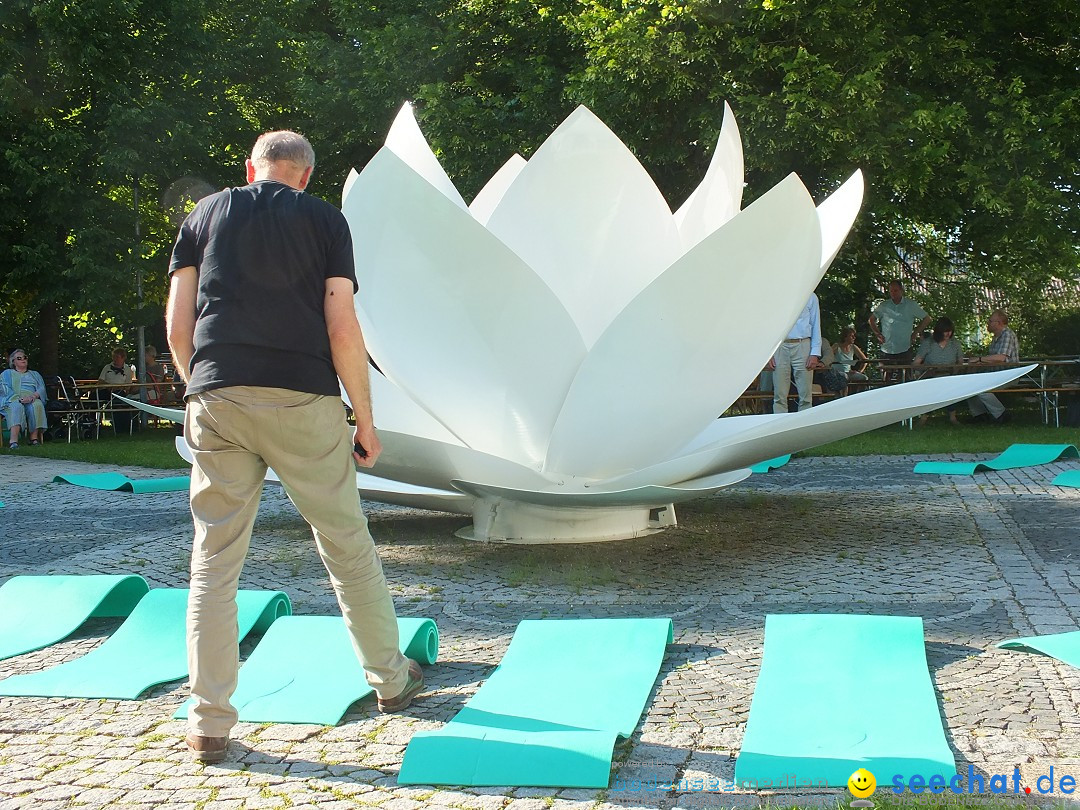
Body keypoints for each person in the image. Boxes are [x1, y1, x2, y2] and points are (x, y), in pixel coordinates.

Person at [167, 129, 423, 763]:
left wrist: (198, 389)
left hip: (217, 395)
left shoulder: (205, 214)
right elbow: (342, 324)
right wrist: (364, 419)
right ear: (306, 176)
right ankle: (391, 681)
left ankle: (209, 723)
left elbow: (179, 322)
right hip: (303, 398)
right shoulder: (326, 221)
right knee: (345, 544)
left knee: (214, 563)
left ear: (251, 166)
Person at [769, 292, 822, 413]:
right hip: (780, 345)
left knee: (806, 395)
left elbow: (816, 325)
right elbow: (769, 325)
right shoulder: (776, 295)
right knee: (779, 394)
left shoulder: (810, 296)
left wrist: (814, 353)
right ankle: (779, 425)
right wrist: (769, 354)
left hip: (802, 343)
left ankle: (805, 425)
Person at [966, 309, 1020, 424]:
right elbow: (992, 360)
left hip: (1009, 375)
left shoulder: (1007, 335)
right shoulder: (996, 338)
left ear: (999, 323)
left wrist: (979, 359)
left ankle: (1002, 415)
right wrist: (977, 362)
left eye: (990, 321)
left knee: (982, 389)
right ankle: (980, 416)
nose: (988, 323)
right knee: (969, 385)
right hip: (995, 375)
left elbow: (1001, 358)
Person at [869, 280, 931, 375]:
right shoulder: (884, 306)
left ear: (901, 290)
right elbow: (871, 320)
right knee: (886, 379)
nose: (893, 293)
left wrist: (915, 333)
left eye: (895, 290)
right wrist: (878, 334)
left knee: (906, 377)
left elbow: (927, 318)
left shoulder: (910, 305)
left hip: (904, 347)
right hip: (887, 348)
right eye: (891, 291)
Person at [912, 316, 964, 426]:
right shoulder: (928, 343)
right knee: (930, 389)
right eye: (945, 331)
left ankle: (952, 417)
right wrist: (927, 368)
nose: (948, 334)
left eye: (950, 331)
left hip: (950, 376)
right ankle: (924, 416)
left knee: (952, 388)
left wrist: (956, 369)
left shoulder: (955, 344)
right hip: (931, 376)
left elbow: (960, 362)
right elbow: (916, 363)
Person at [1, 349, 48, 448]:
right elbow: (4, 388)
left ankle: (34, 439)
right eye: (19, 358)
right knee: (16, 406)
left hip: (31, 398)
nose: (23, 359)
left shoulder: (35, 374)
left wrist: (33, 396)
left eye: (24, 357)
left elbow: (41, 388)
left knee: (37, 405)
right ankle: (13, 441)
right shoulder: (7, 373)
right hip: (12, 399)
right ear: (13, 362)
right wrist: (19, 399)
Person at [97, 348, 138, 433]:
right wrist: (109, 386)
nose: (114, 359)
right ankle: (92, 423)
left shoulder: (127, 370)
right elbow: (100, 381)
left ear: (123, 358)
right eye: (113, 357)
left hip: (118, 392)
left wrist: (119, 387)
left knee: (118, 400)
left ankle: (119, 426)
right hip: (106, 390)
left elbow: (128, 385)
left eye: (117, 357)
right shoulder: (107, 367)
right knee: (94, 397)